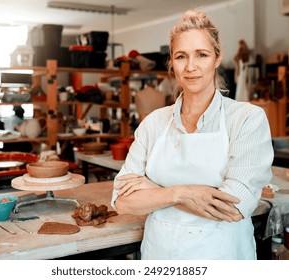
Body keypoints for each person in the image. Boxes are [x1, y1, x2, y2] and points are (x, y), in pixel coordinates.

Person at [111, 9, 274, 260]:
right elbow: (122, 201)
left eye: (202, 55)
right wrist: (181, 193)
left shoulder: (246, 119)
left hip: (223, 258)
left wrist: (154, 191)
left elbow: (234, 206)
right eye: (181, 56)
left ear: (217, 58)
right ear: (171, 63)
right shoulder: (153, 124)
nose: (190, 67)